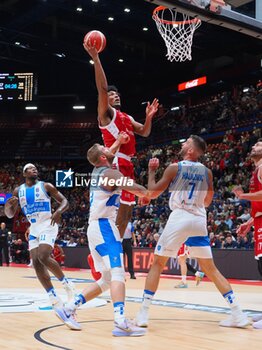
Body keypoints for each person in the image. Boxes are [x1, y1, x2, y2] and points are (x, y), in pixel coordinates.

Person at [136, 135, 249, 329]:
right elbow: (208, 200)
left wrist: (151, 171)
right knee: (210, 269)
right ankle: (238, 313)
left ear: (191, 151)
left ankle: (143, 314)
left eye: (186, 142)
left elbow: (152, 193)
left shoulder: (175, 167)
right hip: (199, 218)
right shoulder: (207, 172)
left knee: (157, 263)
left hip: (180, 216)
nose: (183, 143)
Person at [55, 143, 150, 336]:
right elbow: (136, 188)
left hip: (96, 227)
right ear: (102, 157)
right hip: (104, 226)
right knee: (117, 274)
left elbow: (107, 153)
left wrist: (118, 142)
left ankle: (69, 308)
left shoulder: (99, 170)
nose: (109, 147)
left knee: (107, 280)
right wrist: (149, 191)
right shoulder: (109, 173)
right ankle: (121, 322)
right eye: (104, 147)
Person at [83, 43, 159, 237]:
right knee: (115, 211)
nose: (114, 95)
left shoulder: (127, 117)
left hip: (128, 162)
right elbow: (101, 88)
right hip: (114, 160)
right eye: (110, 94)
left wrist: (149, 117)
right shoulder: (106, 115)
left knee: (126, 214)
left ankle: (114, 247)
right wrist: (96, 58)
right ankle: (105, 249)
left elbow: (144, 132)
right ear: (105, 100)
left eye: (116, 93)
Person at [4, 163, 77, 327]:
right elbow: (9, 214)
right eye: (31, 168)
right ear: (24, 173)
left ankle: (68, 285)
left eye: (36, 168)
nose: (35, 169)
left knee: (43, 256)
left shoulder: (46, 186)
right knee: (36, 264)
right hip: (34, 227)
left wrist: (58, 211)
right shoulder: (18, 191)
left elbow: (65, 201)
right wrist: (9, 205)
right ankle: (53, 296)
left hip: (48, 223)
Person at [232, 138, 262, 329]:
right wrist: (250, 222)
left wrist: (243, 196)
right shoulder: (256, 169)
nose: (254, 147)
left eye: (259, 145)